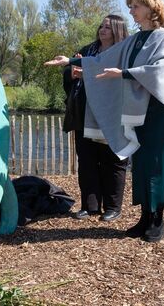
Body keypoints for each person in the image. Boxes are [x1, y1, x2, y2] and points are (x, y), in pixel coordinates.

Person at [45, 0, 164, 242]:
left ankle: (157, 222)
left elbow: (159, 70)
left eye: (135, 6)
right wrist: (71, 61)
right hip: (143, 110)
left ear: (150, 8)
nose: (131, 11)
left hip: (161, 110)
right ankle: (145, 218)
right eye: (131, 6)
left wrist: (122, 74)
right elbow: (105, 58)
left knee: (159, 164)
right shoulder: (135, 39)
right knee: (143, 164)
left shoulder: (163, 37)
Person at [62, 15, 129, 222]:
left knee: (113, 161)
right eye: (101, 26)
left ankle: (112, 207)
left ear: (118, 30)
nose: (103, 30)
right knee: (88, 160)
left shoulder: (123, 53)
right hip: (84, 112)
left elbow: (122, 80)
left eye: (108, 27)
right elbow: (70, 73)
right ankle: (89, 206)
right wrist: (71, 73)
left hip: (112, 114)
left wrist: (89, 75)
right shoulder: (88, 49)